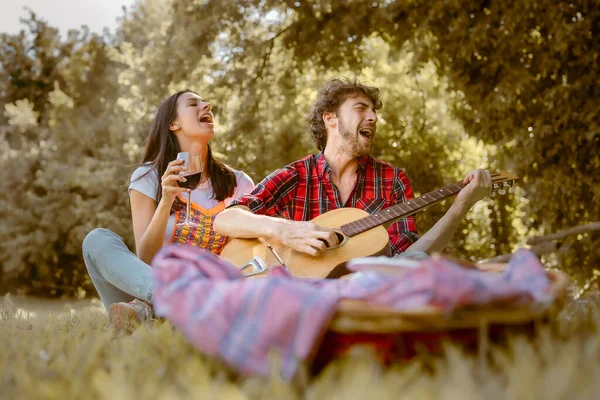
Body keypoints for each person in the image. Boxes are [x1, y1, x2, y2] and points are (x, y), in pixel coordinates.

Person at [213, 79, 491, 260]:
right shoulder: (297, 175)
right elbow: (226, 219)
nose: (373, 117)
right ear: (330, 118)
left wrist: (460, 208)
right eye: (361, 108)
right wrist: (285, 231)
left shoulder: (392, 180)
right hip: (297, 292)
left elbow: (409, 258)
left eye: (374, 112)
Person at [82, 90, 254, 327]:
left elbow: (248, 252)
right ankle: (171, 304)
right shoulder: (147, 177)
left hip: (213, 292)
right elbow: (145, 258)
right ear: (173, 123)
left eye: (205, 102)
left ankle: (146, 315)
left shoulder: (238, 182)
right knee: (96, 240)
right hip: (150, 290)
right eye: (194, 104)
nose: (207, 105)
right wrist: (166, 201)